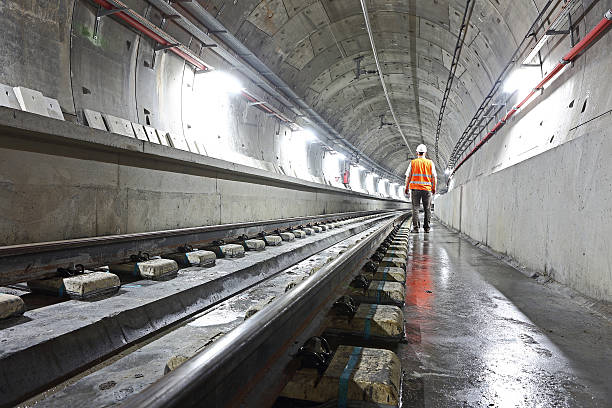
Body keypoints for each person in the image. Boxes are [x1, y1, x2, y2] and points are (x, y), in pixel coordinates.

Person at [405, 144, 437, 233]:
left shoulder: (413, 163)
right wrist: (434, 187)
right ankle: (426, 228)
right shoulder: (430, 163)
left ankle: (415, 228)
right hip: (427, 189)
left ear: (417, 152)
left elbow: (408, 176)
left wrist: (406, 187)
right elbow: (434, 177)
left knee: (415, 208)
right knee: (427, 209)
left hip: (415, 189)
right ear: (425, 153)